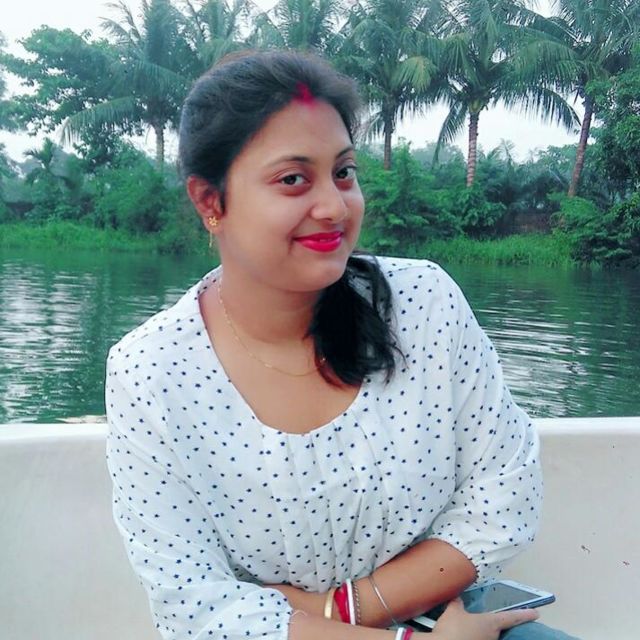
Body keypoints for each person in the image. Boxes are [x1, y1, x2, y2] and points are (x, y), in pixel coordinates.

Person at [105, 50, 577, 640]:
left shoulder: (422, 304)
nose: (334, 205)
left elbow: (505, 494)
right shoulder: (150, 369)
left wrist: (340, 609)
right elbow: (194, 605)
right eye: (293, 179)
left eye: (344, 172)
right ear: (210, 201)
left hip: (445, 620)